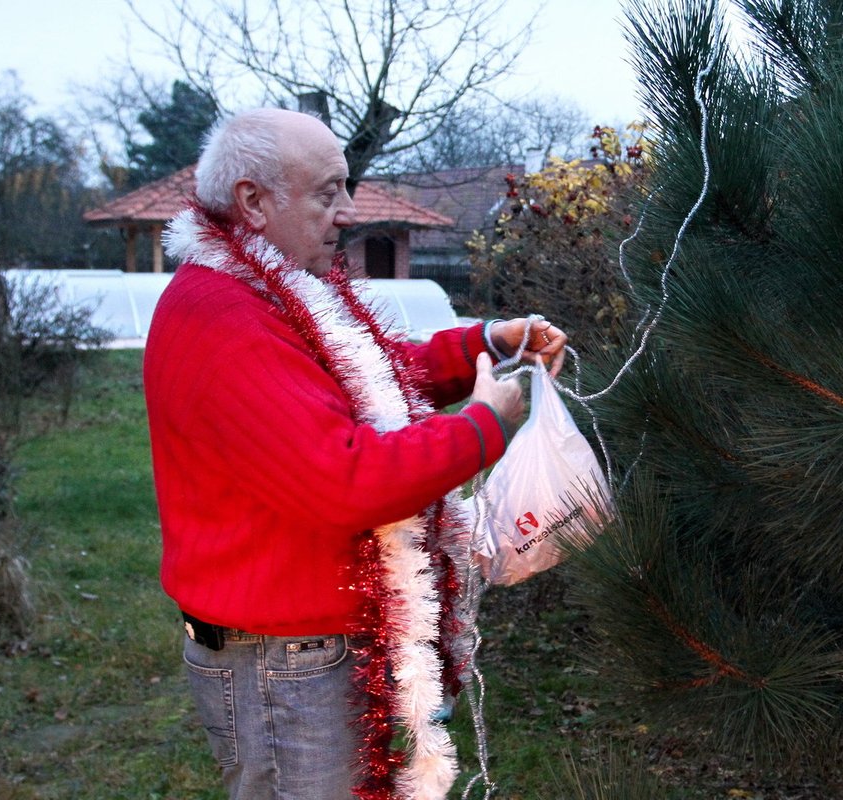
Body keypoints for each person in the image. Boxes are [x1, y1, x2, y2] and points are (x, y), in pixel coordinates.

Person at [143, 107, 567, 800]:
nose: (346, 212)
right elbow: (349, 479)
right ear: (253, 202)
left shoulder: (262, 293)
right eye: (326, 192)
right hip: (283, 666)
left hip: (300, 651)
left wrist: (485, 344)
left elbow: (363, 376)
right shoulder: (225, 319)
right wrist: (485, 425)